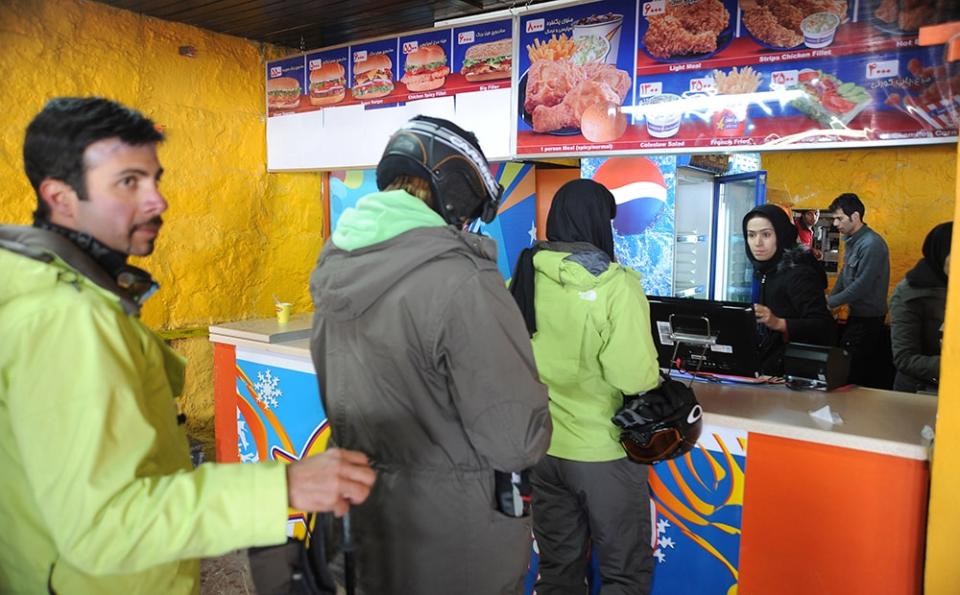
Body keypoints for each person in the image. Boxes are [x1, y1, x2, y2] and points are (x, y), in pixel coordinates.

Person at [0, 97, 376, 595]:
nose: (158, 201)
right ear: (61, 198)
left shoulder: (43, 286)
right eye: (128, 182)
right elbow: (102, 528)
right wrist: (285, 486)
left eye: (154, 179)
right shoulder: (67, 319)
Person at [309, 116, 552, 594]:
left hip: (358, 519)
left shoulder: (335, 268)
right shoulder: (464, 280)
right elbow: (515, 440)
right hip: (450, 538)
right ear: (456, 196)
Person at [509, 179, 660, 595]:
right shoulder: (617, 285)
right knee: (623, 573)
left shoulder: (525, 274)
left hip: (544, 449)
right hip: (604, 451)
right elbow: (635, 378)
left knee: (558, 570)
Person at [744, 204, 837, 376]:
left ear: (780, 234)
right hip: (778, 368)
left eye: (766, 234)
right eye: (751, 235)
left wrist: (779, 323)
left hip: (799, 373)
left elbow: (824, 326)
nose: (757, 243)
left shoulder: (798, 273)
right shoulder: (768, 269)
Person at [827, 193, 892, 387]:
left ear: (855, 216)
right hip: (856, 316)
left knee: (853, 373)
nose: (836, 224)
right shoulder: (852, 241)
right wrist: (830, 302)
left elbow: (861, 286)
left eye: (840, 218)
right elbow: (844, 277)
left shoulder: (872, 244)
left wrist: (830, 302)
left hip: (869, 320)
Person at [890, 222, 952, 393]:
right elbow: (905, 358)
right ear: (940, 253)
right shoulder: (910, 293)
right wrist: (952, 364)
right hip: (919, 391)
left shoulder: (954, 285)